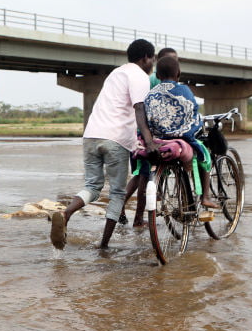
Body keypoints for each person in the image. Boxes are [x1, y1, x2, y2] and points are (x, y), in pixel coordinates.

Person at [50, 39, 159, 250]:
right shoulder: (140, 76)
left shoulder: (116, 73)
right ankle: (103, 245)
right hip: (115, 139)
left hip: (91, 135)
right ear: (146, 58)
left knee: (92, 187)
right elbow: (139, 109)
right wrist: (149, 141)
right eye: (152, 59)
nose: (152, 63)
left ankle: (66, 212)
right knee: (117, 193)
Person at [142, 56, 219, 210]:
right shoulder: (184, 90)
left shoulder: (150, 94)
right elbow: (192, 111)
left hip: (159, 139)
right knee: (205, 156)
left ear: (158, 75)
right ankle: (205, 196)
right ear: (178, 73)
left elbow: (147, 117)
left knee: (157, 162)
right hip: (182, 139)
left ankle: (158, 189)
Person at [120, 47, 177, 226]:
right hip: (147, 136)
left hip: (142, 134)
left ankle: (119, 208)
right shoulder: (157, 81)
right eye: (170, 60)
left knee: (140, 176)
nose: (173, 63)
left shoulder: (153, 79)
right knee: (144, 177)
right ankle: (137, 218)